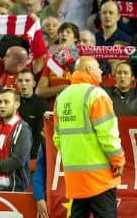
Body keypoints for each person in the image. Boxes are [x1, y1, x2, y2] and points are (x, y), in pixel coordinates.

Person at [53, 56, 126, 218]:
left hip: (75, 179)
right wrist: (118, 161)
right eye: (98, 67)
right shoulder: (97, 95)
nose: (101, 71)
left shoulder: (62, 97)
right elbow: (108, 135)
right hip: (99, 178)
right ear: (89, 70)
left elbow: (58, 139)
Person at [0, 89, 32, 191]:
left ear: (17, 104)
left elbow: (17, 161)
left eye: (6, 102)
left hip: (13, 188)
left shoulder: (23, 129)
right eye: (0, 102)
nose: (2, 106)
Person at [17, 70, 49, 160]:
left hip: (34, 154)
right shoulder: (12, 103)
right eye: (20, 81)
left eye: (27, 81)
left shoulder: (42, 105)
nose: (23, 84)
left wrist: (33, 156)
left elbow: (40, 135)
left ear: (34, 83)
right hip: (13, 152)